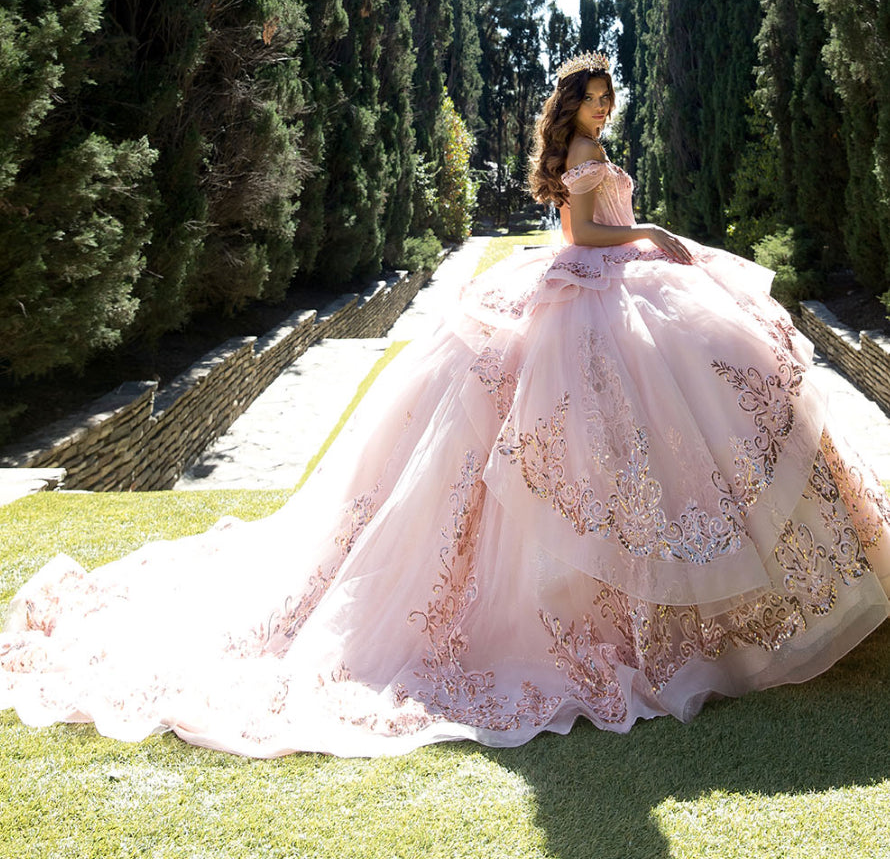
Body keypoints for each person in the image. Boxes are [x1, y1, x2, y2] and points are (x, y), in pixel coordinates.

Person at [2, 51, 889, 758]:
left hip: (614, 288)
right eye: (593, 99)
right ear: (571, 108)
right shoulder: (582, 161)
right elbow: (583, 236)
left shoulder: (594, 152)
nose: (603, 111)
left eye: (608, 98)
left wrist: (644, 242)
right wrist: (649, 234)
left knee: (693, 402)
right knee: (581, 438)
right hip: (591, 289)